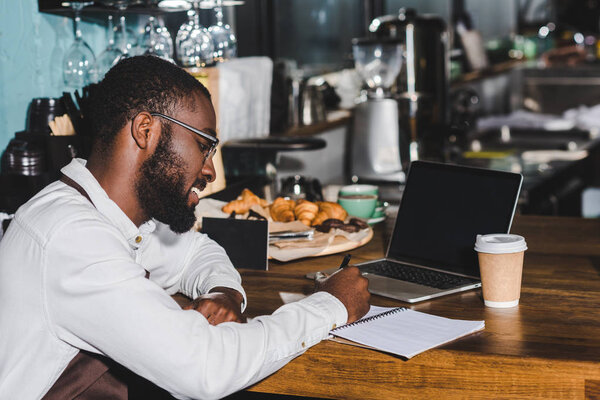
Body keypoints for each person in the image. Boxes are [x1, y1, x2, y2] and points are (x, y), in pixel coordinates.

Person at [0, 55, 370, 399]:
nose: (209, 170)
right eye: (202, 145)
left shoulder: (102, 213)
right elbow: (206, 367)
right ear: (146, 130)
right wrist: (331, 304)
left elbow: (196, 250)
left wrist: (225, 293)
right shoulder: (70, 236)